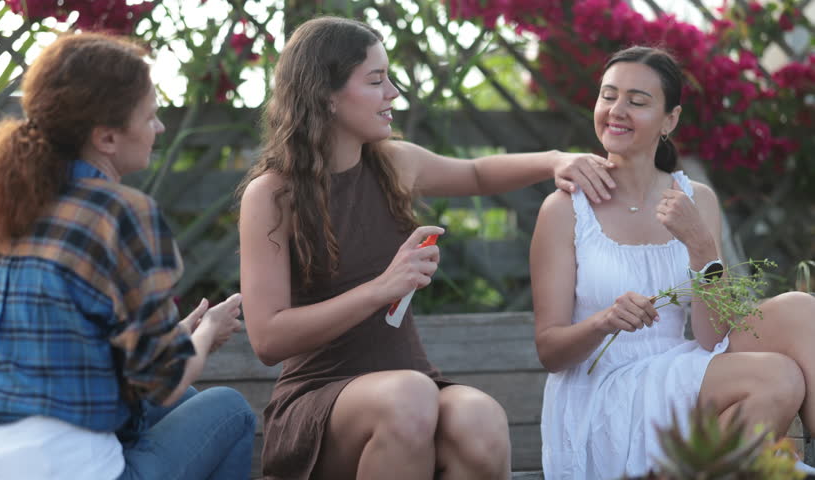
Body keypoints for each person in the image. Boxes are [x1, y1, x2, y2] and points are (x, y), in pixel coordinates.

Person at [237, 16, 619, 480]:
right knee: (409, 400)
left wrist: (558, 160)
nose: (393, 92)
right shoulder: (273, 196)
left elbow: (477, 173)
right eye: (376, 81)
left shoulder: (394, 163)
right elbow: (267, 338)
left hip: (411, 386)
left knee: (480, 419)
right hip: (320, 399)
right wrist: (382, 288)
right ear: (326, 95)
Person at [0, 33, 255, 480]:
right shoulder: (119, 214)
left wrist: (174, 334)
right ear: (106, 137)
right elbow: (165, 377)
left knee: (191, 400)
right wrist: (207, 333)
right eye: (151, 117)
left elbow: (67, 362)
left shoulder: (8, 215)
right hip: (71, 470)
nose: (159, 129)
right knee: (231, 410)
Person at [531, 45, 815, 478]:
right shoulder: (566, 208)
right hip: (603, 391)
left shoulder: (696, 199)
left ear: (670, 120)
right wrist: (604, 321)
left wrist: (700, 243)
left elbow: (710, 335)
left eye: (637, 101)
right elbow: (550, 350)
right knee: (778, 379)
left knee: (801, 309)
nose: (617, 110)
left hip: (680, 371)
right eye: (608, 96)